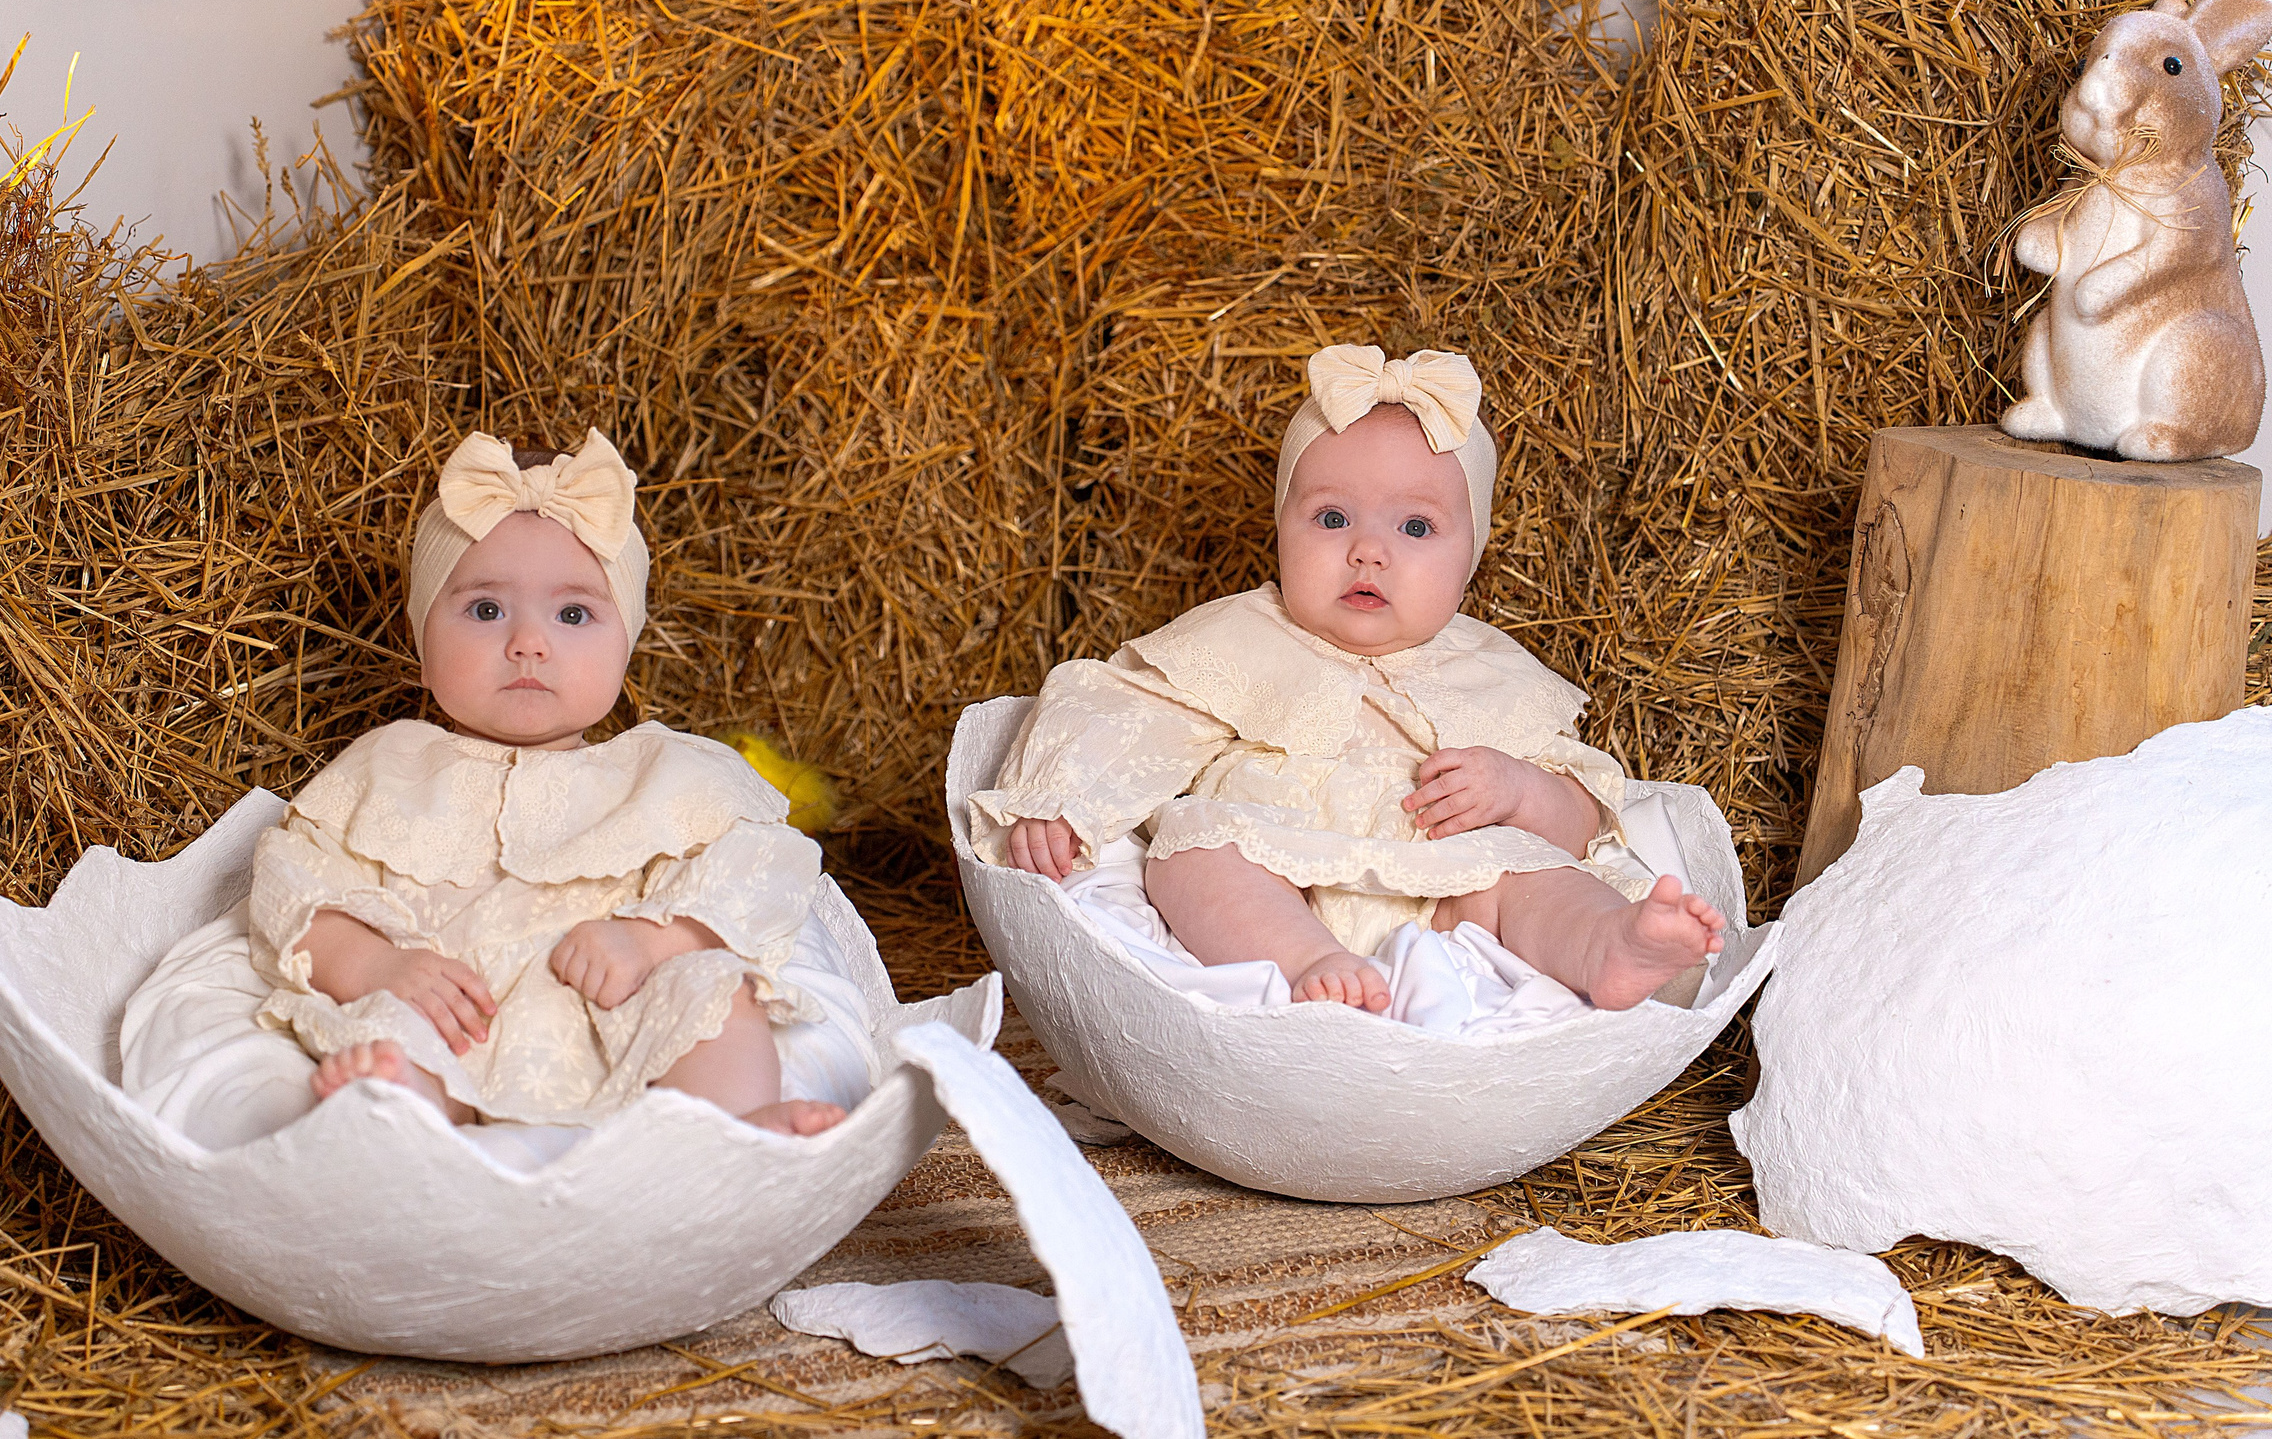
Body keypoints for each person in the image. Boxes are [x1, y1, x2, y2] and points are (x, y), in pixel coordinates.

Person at [967, 346, 1724, 1014]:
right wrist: (1061, 799)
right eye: (1332, 519)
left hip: (1448, 879)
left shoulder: (1493, 669)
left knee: (1538, 877)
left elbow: (1586, 816)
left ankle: (1607, 946)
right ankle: (1308, 962)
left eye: (1415, 528)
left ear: (1471, 555)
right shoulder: (1238, 635)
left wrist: (1520, 790)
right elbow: (1121, 705)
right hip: (1277, 863)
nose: (1368, 551)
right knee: (1191, 857)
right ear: (1281, 527)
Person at [248, 430, 846, 1134]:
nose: (528, 643)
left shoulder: (666, 773)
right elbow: (295, 880)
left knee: (714, 987)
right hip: (453, 1015)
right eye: (486, 610)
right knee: (388, 1025)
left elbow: (763, 866)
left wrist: (652, 942)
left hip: (623, 1016)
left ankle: (733, 1124)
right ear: (422, 644)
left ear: (626, 646)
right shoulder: (383, 769)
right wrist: (376, 966)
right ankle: (404, 1106)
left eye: (572, 614)